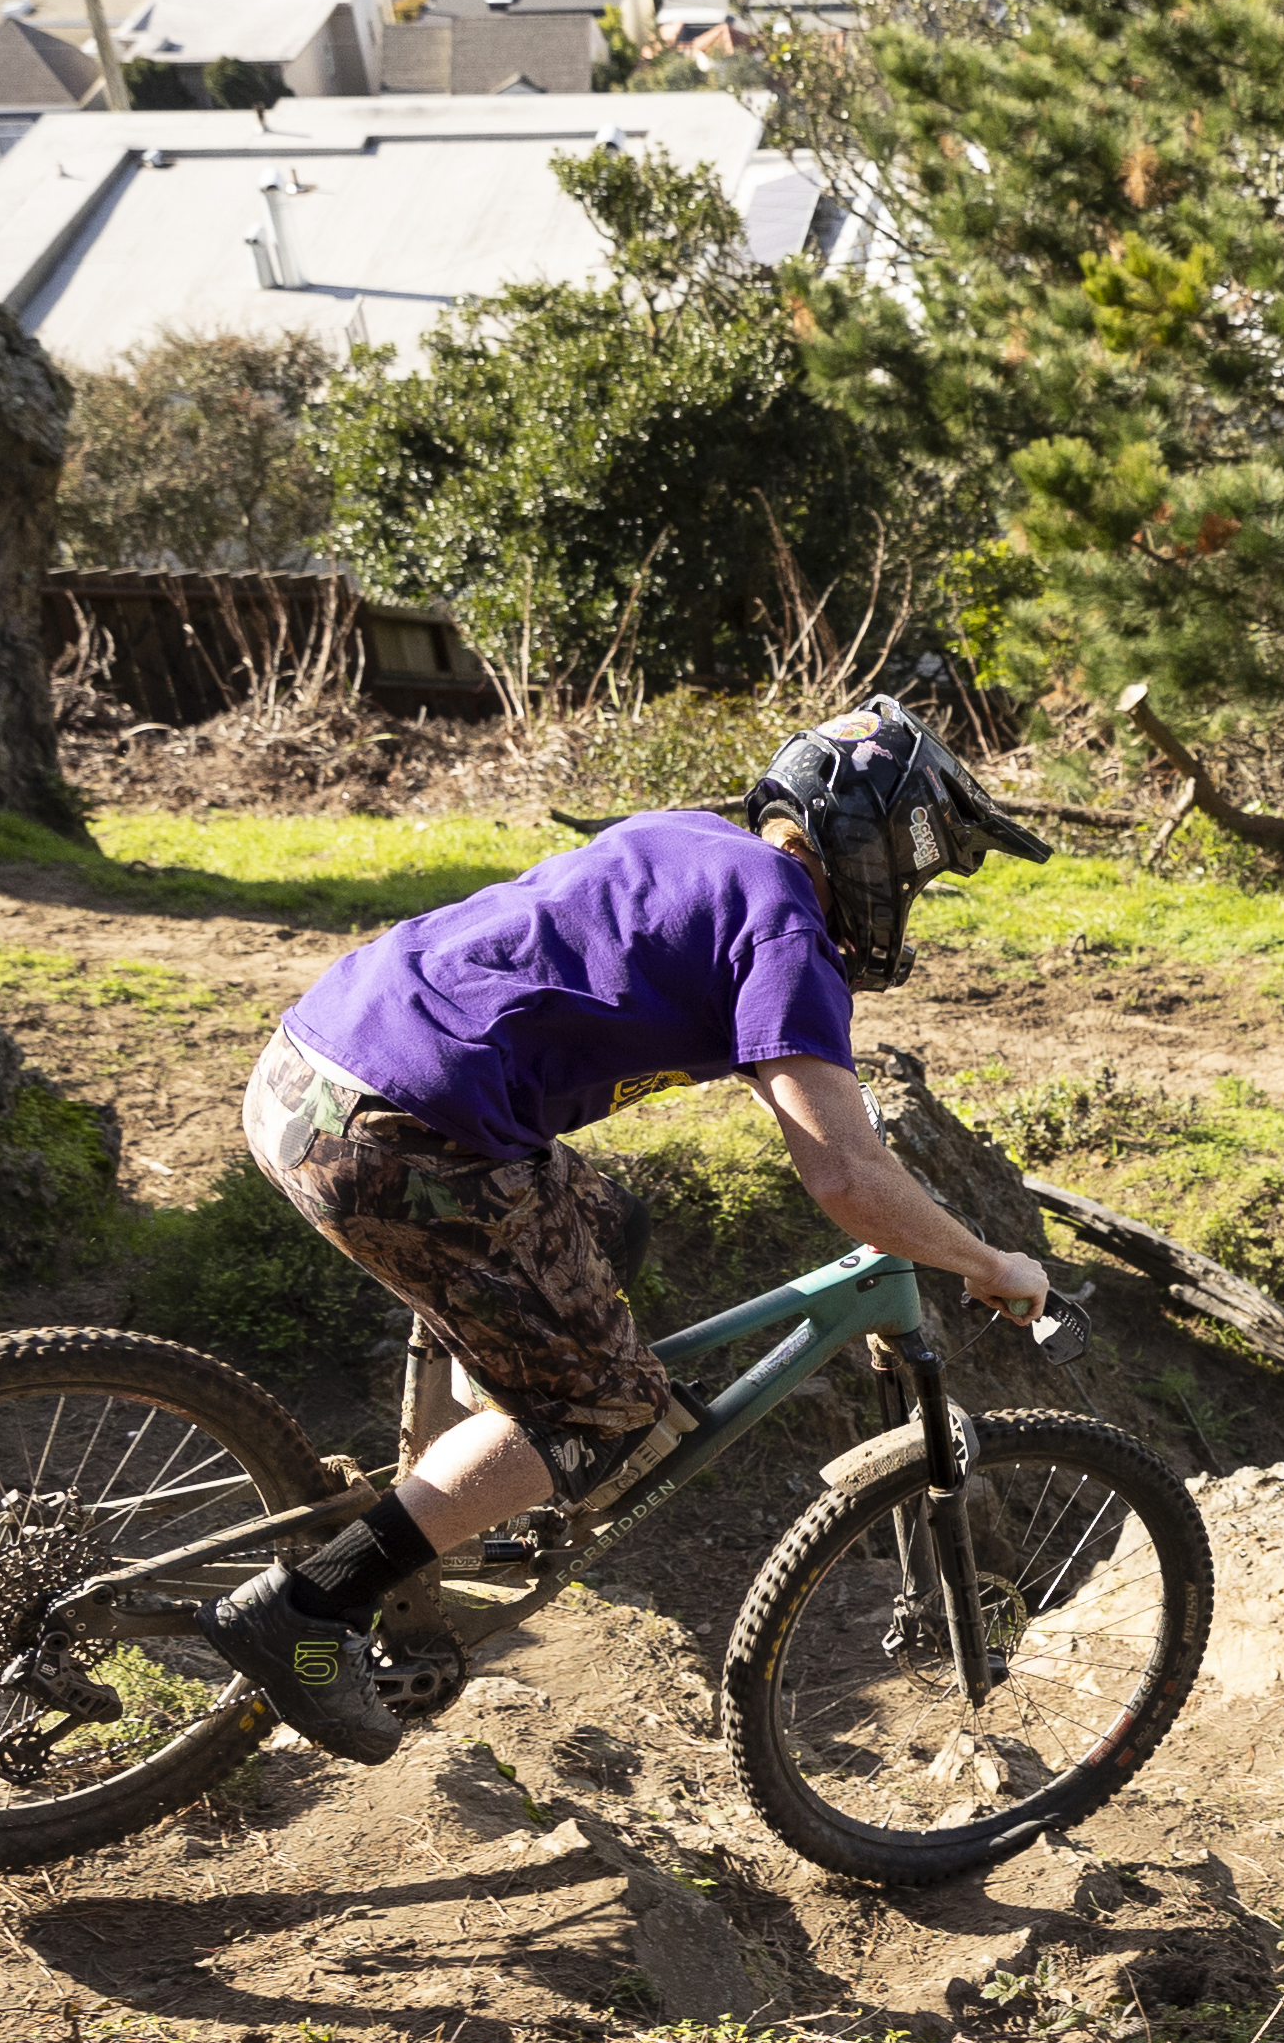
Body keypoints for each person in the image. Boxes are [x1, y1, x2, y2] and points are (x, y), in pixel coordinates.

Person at [199, 697, 1055, 1766]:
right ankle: (306, 1609)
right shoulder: (791, 929)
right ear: (877, 845)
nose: (910, 901)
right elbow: (842, 1175)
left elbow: (673, 984)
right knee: (607, 1417)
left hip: (306, 1068)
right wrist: (983, 1259)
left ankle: (469, 1453)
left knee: (609, 1217)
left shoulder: (695, 839)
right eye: (918, 874)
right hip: (401, 1138)